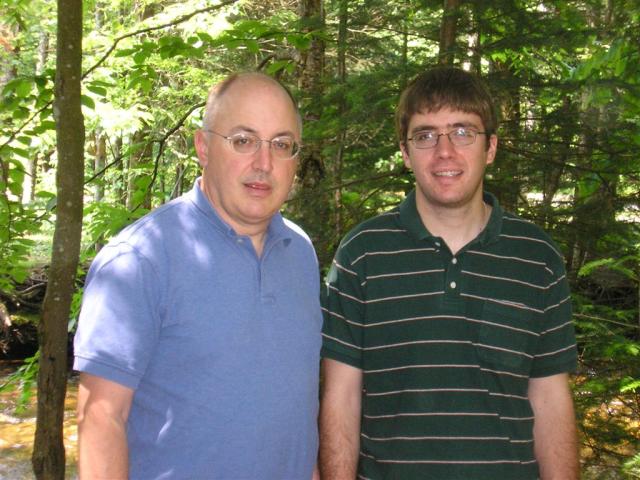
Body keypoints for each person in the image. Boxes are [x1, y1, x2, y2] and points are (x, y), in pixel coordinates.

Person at [319, 67, 579, 479]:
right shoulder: (362, 254)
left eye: (462, 132)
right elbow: (341, 398)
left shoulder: (537, 258)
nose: (444, 151)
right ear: (405, 153)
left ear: (490, 147)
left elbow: (550, 400)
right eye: (425, 135)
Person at [74, 72, 322, 479]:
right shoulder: (140, 259)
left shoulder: (300, 253)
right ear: (204, 147)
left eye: (281, 145)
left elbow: (294, 416)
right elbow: (101, 418)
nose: (264, 163)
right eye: (243, 141)